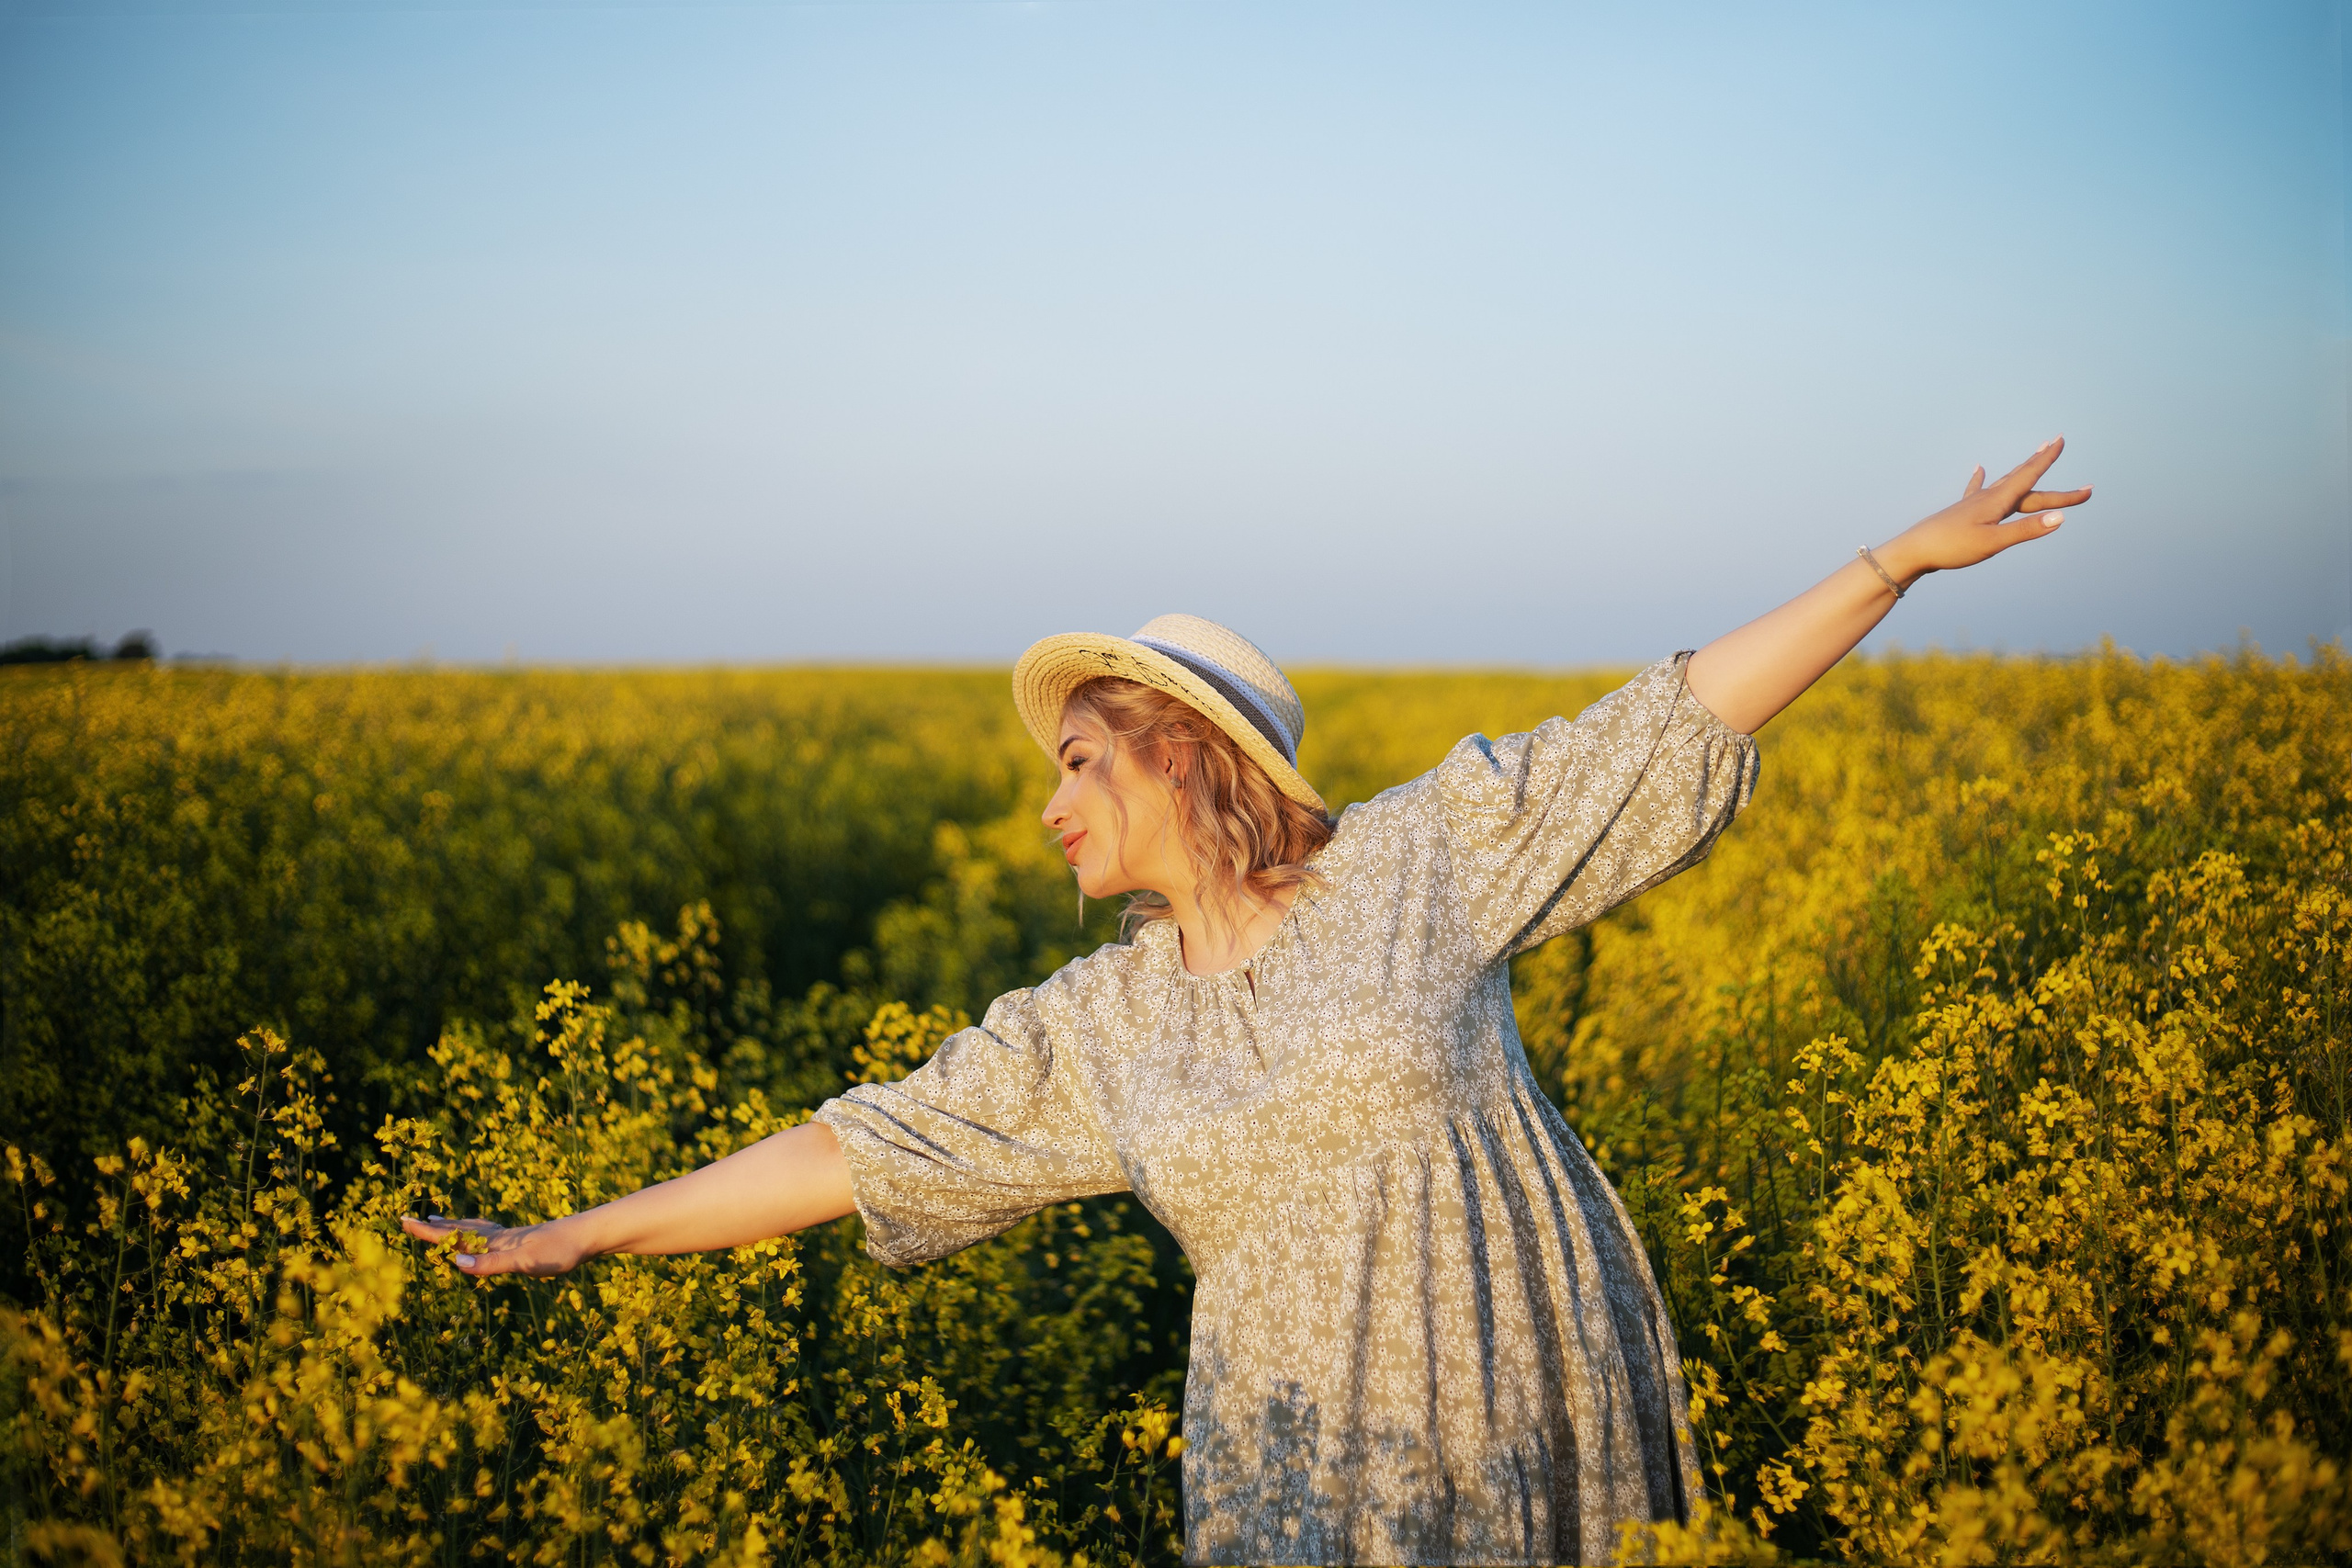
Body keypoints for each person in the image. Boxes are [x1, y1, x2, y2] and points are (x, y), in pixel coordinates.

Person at [406, 439, 2090, 1565]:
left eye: (1078, 760)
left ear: (1181, 754)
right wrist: (577, 1233)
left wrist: (1897, 563)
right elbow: (853, 1150)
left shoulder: (1413, 868)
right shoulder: (1099, 1030)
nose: (1050, 803)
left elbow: (1664, 723)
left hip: (1520, 1405)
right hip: (1297, 1477)